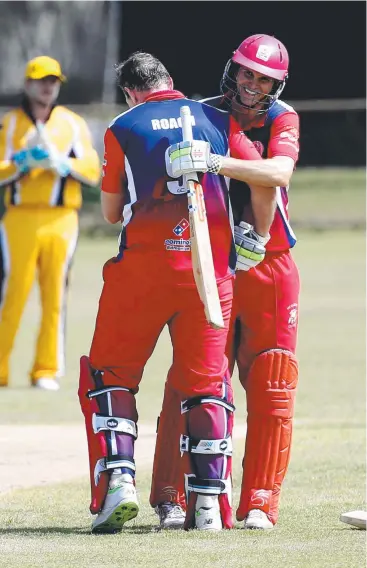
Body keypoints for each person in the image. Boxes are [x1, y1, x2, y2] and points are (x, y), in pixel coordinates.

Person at [77, 51, 273, 534]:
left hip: (142, 269)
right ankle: (208, 504)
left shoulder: (123, 124)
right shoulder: (217, 118)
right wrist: (255, 236)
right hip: (208, 273)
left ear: (130, 91)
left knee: (110, 375)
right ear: (170, 80)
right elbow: (266, 180)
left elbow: (108, 211)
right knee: (207, 384)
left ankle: (118, 482)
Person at [151, 34, 301, 530]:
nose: (252, 85)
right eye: (247, 73)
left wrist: (215, 161)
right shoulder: (198, 113)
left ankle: (260, 499)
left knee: (273, 377)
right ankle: (173, 495)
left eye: (264, 80)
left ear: (277, 86)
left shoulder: (283, 118)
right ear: (231, 70)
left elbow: (276, 173)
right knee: (194, 376)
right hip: (211, 262)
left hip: (269, 262)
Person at [0, 55, 100, 391]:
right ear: (28, 84)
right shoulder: (11, 124)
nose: (47, 87)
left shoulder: (72, 123)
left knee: (55, 294)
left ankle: (45, 369)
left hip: (62, 219)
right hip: (19, 218)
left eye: (53, 81)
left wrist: (64, 164)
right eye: (42, 80)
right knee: (11, 293)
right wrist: (19, 164)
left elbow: (92, 170)